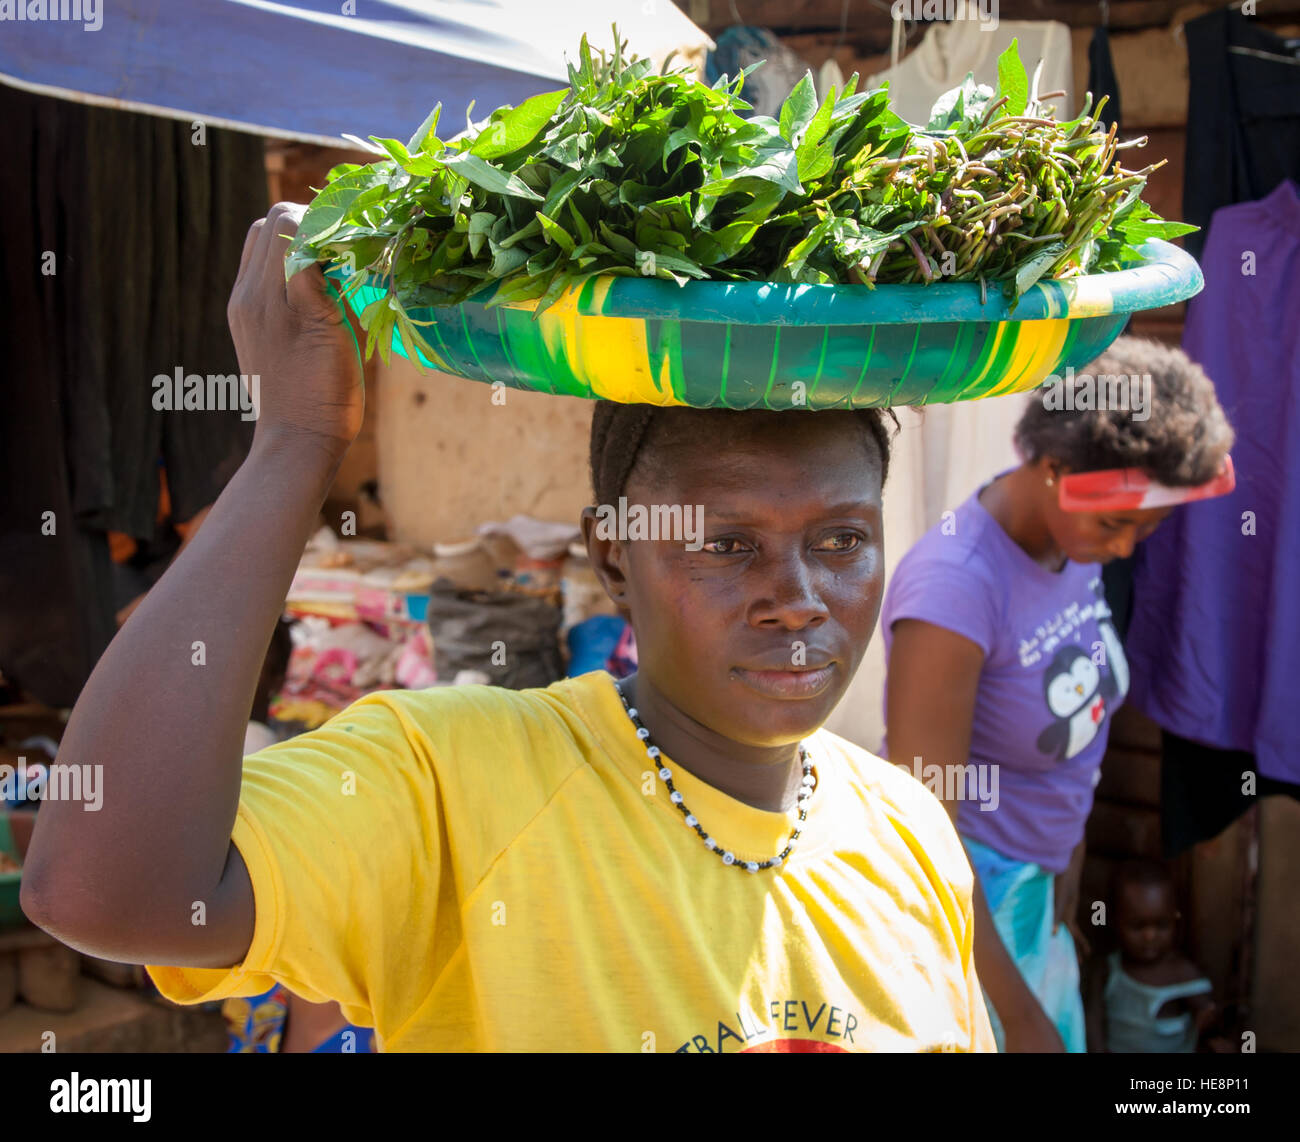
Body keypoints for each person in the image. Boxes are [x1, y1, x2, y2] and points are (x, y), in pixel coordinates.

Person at [20, 202, 995, 1053]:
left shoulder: (909, 834)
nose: (797, 597)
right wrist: (295, 441)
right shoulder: (457, 782)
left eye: (841, 540)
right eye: (727, 544)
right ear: (613, 555)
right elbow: (104, 889)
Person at [880, 336, 1234, 1052]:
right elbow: (925, 831)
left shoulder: (1074, 541)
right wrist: (1018, 1016)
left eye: (1147, 527)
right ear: (1052, 470)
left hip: (1038, 884)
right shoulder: (955, 590)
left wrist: (1066, 861)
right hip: (972, 900)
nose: (1126, 548)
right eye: (1116, 524)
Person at [1084, 859, 1218, 1053]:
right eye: (1137, 926)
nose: (1150, 936)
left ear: (1175, 920)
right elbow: (1092, 1020)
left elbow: (1210, 1020)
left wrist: (1208, 1019)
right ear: (1114, 921)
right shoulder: (1108, 971)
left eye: (1161, 925)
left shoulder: (1182, 974)